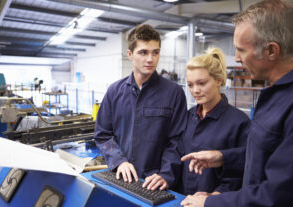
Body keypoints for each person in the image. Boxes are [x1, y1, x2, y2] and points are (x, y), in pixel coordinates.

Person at [180, 0, 293, 206]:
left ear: (271, 51)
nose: (237, 59)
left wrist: (210, 203)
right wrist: (223, 157)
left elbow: (278, 194)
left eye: (241, 50)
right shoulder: (273, 95)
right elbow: (263, 156)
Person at [94, 24, 187, 191]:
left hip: (155, 184)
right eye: (143, 52)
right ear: (130, 54)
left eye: (155, 52)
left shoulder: (174, 93)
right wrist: (118, 161)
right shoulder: (114, 92)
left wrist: (166, 174)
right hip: (121, 178)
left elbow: (177, 142)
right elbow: (103, 134)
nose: (150, 59)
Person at [177, 48, 249, 196]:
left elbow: (241, 172)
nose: (195, 90)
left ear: (218, 80)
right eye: (190, 85)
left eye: (201, 83)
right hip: (183, 199)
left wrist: (213, 197)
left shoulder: (239, 122)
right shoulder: (188, 116)